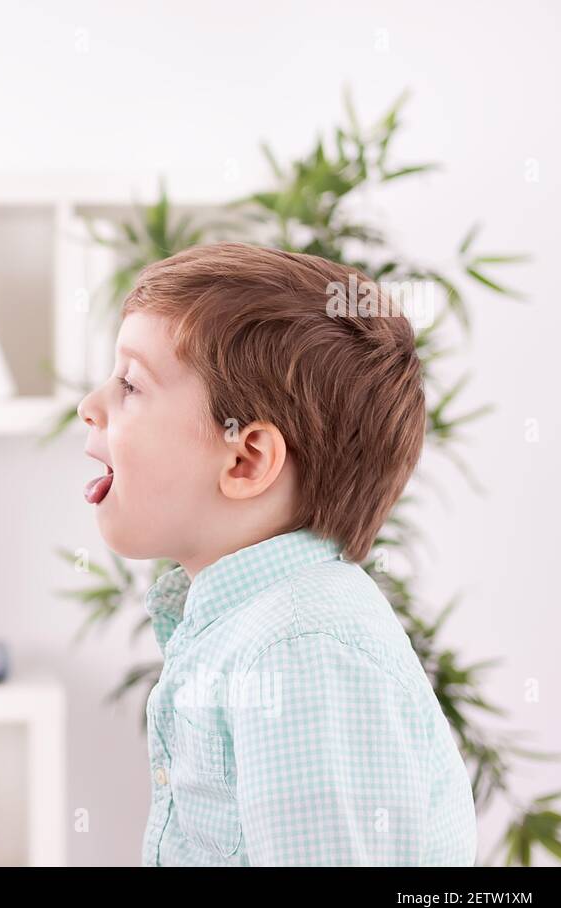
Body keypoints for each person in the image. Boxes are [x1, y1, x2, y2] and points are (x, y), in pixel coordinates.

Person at [77, 242, 477, 866]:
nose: (89, 406)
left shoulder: (298, 650)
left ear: (245, 460)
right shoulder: (257, 630)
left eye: (130, 383)